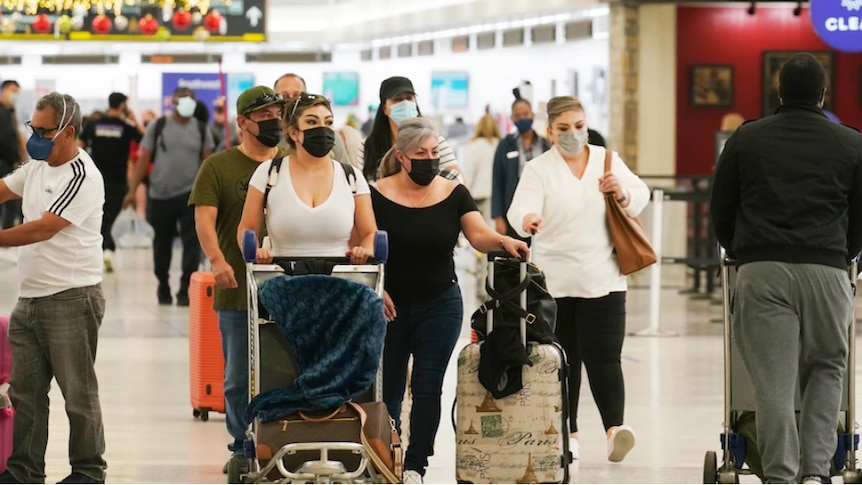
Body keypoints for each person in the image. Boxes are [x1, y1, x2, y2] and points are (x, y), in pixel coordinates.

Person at [710, 53, 862, 484]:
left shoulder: (746, 139)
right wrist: (842, 255)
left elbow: (721, 209)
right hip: (828, 272)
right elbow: (861, 216)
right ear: (823, 95)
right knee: (826, 370)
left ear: (778, 91)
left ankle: (779, 475)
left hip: (763, 271)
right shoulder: (851, 143)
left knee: (773, 383)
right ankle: (816, 473)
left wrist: (741, 249)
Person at [371, 117, 528, 484]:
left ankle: (415, 465)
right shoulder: (375, 194)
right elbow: (362, 246)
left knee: (428, 385)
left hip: (440, 303)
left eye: (433, 152)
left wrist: (504, 241)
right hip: (389, 306)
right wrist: (376, 289)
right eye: (419, 153)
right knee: (389, 387)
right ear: (401, 156)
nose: (428, 159)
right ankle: (387, 455)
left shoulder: (453, 192)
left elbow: (477, 234)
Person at [507, 95, 649, 463]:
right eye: (565, 129)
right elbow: (517, 209)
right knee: (562, 361)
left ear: (588, 125)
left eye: (579, 126)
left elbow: (640, 197)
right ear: (551, 132)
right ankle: (567, 434)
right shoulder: (539, 168)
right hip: (554, 284)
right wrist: (527, 220)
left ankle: (615, 430)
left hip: (604, 278)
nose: (574, 134)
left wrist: (621, 190)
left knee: (606, 357)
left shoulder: (606, 159)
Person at [0, 92, 107, 485]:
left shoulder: (83, 175)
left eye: (45, 131)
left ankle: (88, 471)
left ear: (69, 132)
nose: (36, 138)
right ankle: (24, 470)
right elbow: (4, 189)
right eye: (33, 128)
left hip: (72, 297)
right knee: (25, 393)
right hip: (29, 298)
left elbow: (44, 228)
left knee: (78, 394)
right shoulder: (37, 166)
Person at [189, 85, 286, 475]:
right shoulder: (219, 166)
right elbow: (204, 220)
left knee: (284, 369)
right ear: (243, 122)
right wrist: (217, 260)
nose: (273, 123)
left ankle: (281, 439)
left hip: (287, 286)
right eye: (264, 117)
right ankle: (242, 443)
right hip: (236, 288)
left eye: (277, 115)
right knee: (237, 377)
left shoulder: (292, 164)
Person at [237, 93, 376, 265]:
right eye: (312, 122)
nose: (322, 128)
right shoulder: (268, 173)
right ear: (294, 133)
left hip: (340, 284)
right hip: (281, 281)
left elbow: (370, 233)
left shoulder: (352, 178)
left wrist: (365, 250)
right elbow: (247, 228)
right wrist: (255, 252)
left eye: (328, 122)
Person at [123, 86, 215, 306]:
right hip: (160, 194)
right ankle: (163, 285)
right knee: (161, 245)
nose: (186, 103)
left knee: (191, 244)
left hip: (190, 195)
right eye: (182, 99)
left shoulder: (202, 129)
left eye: (190, 99)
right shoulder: (159, 125)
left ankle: (185, 290)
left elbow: (207, 163)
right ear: (172, 102)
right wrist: (132, 190)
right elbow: (143, 158)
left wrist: (211, 194)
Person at [78, 92, 144, 272]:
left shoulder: (94, 124)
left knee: (99, 217)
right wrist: (133, 118)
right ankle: (108, 250)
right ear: (123, 106)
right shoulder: (125, 126)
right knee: (110, 218)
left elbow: (79, 146)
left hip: (94, 180)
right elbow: (145, 139)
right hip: (118, 182)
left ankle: (102, 251)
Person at [361, 76, 463, 183]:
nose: (405, 104)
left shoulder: (435, 142)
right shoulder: (368, 146)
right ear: (385, 109)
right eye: (398, 100)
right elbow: (363, 187)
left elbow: (458, 179)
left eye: (409, 98)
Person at [491, 98, 550, 240]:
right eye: (518, 115)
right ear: (512, 118)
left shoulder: (545, 145)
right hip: (512, 211)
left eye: (526, 114)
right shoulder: (505, 145)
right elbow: (497, 181)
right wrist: (498, 217)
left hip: (542, 211)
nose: (522, 118)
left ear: (532, 114)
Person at [272, 73, 350, 164]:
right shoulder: (269, 136)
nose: (291, 99)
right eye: (284, 96)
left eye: (297, 95)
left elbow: (346, 174)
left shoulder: (328, 136)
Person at [0, 80, 23, 229]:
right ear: (4, 90)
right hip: (3, 161)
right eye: (12, 90)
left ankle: (7, 235)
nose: (15, 95)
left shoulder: (10, 113)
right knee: (9, 200)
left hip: (9, 162)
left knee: (11, 202)